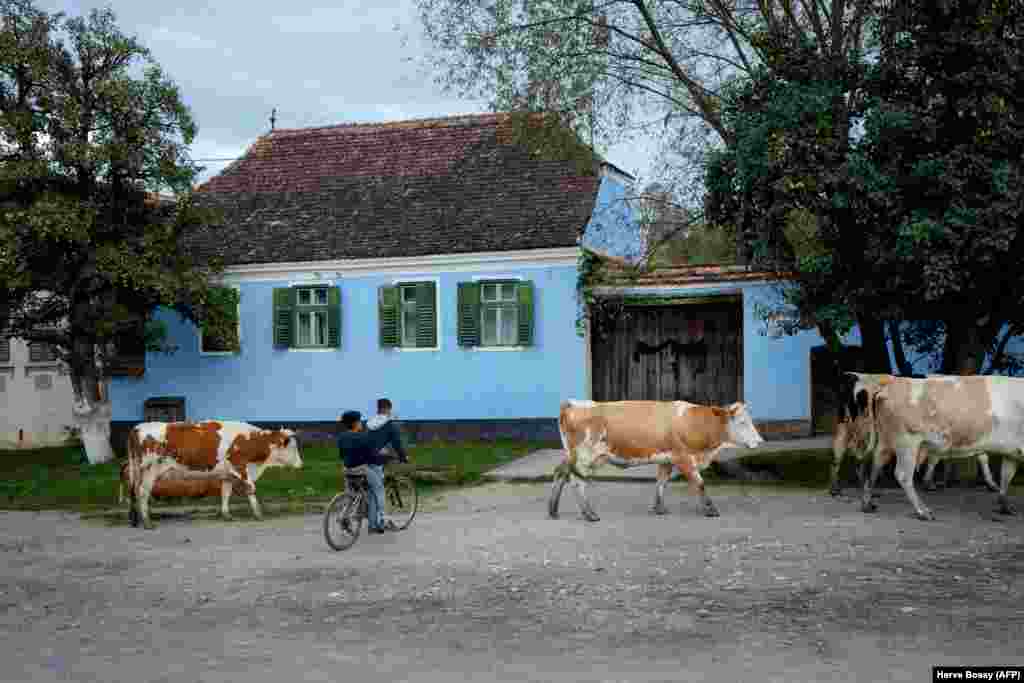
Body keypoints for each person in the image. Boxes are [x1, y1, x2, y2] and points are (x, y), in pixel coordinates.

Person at [336, 409, 408, 534]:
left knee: (352, 496)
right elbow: (372, 457)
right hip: (361, 470)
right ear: (356, 423)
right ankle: (379, 522)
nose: (361, 423)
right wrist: (388, 457)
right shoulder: (362, 436)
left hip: (347, 470)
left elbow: (342, 455)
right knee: (378, 489)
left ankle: (344, 518)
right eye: (359, 421)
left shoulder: (341, 437)